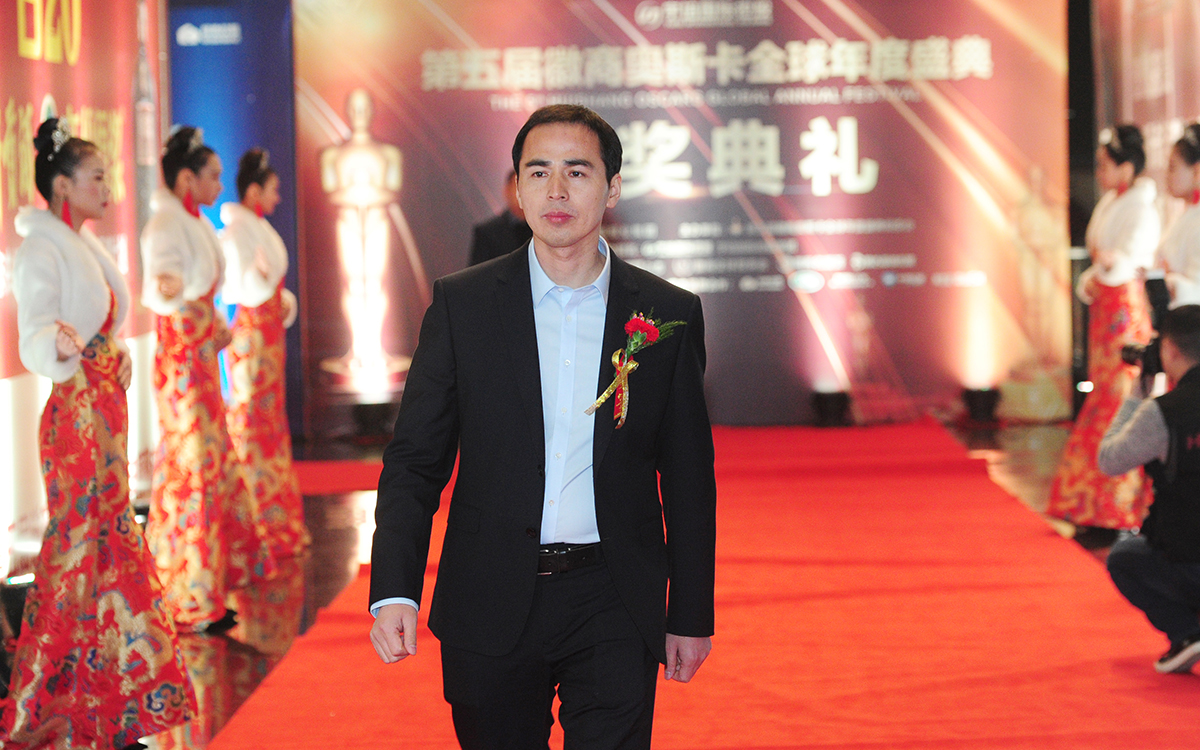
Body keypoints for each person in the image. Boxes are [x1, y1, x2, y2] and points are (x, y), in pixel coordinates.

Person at [368, 104, 717, 749]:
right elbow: (415, 460)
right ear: (518, 189)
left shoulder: (666, 314)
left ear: (612, 188)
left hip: (614, 597)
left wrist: (691, 612)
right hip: (489, 593)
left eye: (577, 172)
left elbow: (689, 478)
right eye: (539, 172)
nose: (557, 190)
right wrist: (394, 589)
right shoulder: (463, 305)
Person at [2, 118, 196, 749]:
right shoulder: (42, 248)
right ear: (62, 185)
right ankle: (47, 706)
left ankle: (107, 708)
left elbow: (96, 327)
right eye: (97, 177)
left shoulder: (78, 243)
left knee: (107, 551)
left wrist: (107, 352)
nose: (109, 189)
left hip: (102, 415)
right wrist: (59, 345)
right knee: (77, 553)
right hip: (77, 423)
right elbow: (37, 332)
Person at [141, 126, 274, 633]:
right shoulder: (164, 226)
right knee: (191, 470)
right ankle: (184, 595)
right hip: (180, 366)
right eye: (212, 176)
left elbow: (196, 295)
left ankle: (205, 589)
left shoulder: (192, 221)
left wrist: (211, 324)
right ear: (186, 179)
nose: (220, 186)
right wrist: (172, 293)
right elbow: (165, 292)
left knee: (209, 469)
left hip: (198, 361)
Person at [1046, 125, 1158, 544]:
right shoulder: (1113, 203)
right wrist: (1095, 276)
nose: (1098, 172)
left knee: (1120, 402)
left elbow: (1131, 259)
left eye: (1104, 164)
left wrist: (1107, 270)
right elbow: (1105, 258)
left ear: (1125, 167)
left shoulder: (1142, 208)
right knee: (1104, 401)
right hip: (1105, 309)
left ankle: (1117, 508)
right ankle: (1093, 505)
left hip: (1124, 313)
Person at [219, 148, 309, 559]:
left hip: (268, 335)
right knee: (251, 421)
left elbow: (267, 282)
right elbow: (241, 286)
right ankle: (253, 521)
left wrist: (279, 296)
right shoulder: (237, 231)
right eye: (272, 189)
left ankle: (275, 520)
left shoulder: (255, 227)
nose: (277, 197)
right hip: (252, 337)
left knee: (268, 424)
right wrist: (264, 284)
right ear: (254, 191)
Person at [1100, 305, 1200, 673]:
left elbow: (1109, 460)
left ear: (1169, 350)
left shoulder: (1163, 412)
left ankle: (1187, 633)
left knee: (1124, 558)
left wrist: (1137, 394)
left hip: (1188, 556)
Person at [1159, 123, 1200, 308]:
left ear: (1197, 171)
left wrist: (1171, 285)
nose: (1167, 176)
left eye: (1172, 167)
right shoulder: (1188, 213)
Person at [467, 170, 532, 266]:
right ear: (507, 191)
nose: (523, 193)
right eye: (518, 187)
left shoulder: (543, 228)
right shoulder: (487, 232)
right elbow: (476, 271)